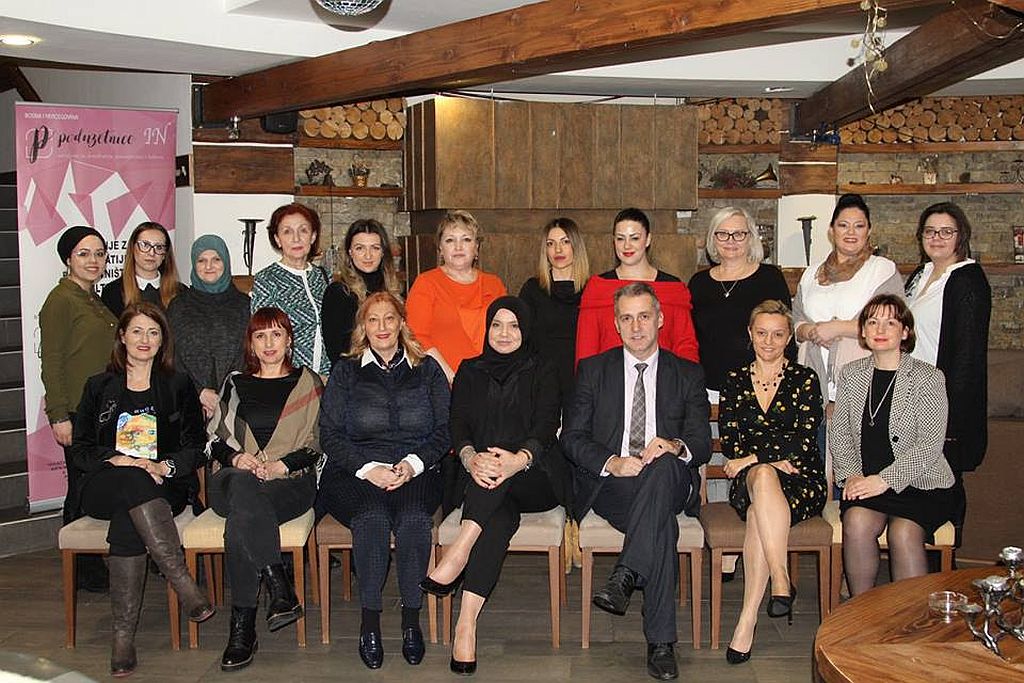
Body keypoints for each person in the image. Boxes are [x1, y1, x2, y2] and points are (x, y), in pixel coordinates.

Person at [562, 282, 711, 681]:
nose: (636, 326)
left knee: (662, 467)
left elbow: (700, 442)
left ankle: (626, 572)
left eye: (644, 316)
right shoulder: (594, 370)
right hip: (615, 485)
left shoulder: (687, 373)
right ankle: (660, 643)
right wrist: (612, 462)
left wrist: (673, 445)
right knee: (661, 526)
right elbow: (572, 438)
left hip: (673, 479)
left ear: (660, 319)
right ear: (616, 324)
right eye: (626, 318)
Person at [420, 296, 569, 676]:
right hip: (482, 475)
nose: (504, 333)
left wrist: (518, 459)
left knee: (494, 478)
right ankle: (465, 625)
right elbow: (458, 424)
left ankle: (459, 551)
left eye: (514, 325)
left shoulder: (543, 368)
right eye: (497, 325)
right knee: (497, 519)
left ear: (526, 329)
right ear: (487, 329)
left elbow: (547, 424)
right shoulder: (470, 369)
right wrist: (471, 457)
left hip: (535, 476)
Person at [71, 302, 213, 677]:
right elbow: (81, 449)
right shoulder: (98, 386)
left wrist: (164, 466)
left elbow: (196, 447)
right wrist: (118, 459)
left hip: (162, 484)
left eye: (153, 332)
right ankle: (181, 580)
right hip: (105, 483)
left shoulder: (178, 385)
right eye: (136, 331)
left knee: (129, 517)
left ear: (163, 339)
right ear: (122, 336)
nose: (144, 339)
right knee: (132, 479)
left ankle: (123, 637)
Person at [318, 292, 450, 670]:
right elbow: (329, 435)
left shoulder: (427, 368)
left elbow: (445, 431)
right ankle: (370, 622)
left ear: (401, 323)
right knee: (372, 519)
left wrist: (411, 464)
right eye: (373, 320)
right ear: (363, 326)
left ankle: (410, 620)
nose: (381, 327)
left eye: (389, 319)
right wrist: (368, 469)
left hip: (416, 470)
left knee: (413, 520)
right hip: (354, 472)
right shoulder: (345, 371)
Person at [206, 307, 324, 671]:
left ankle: (242, 628)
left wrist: (281, 466)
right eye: (260, 335)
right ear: (251, 343)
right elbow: (213, 441)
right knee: (244, 485)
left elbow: (320, 442)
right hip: (232, 478)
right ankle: (278, 583)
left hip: (290, 482)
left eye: (276, 334)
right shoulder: (234, 384)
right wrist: (237, 458)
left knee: (240, 522)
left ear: (289, 341)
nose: (268, 343)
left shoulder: (309, 383)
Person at [830, 294, 961, 596]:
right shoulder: (851, 374)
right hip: (866, 483)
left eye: (890, 322)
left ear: (905, 332)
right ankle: (863, 613)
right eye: (872, 321)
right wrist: (851, 475)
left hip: (921, 485)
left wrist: (884, 480)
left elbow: (930, 444)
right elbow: (840, 434)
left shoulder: (928, 377)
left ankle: (908, 618)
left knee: (903, 533)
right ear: (863, 331)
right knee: (857, 521)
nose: (880, 329)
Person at [718, 300, 826, 664]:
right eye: (762, 333)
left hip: (800, 479)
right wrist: (766, 460)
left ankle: (746, 621)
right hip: (749, 482)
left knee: (757, 512)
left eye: (778, 334)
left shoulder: (805, 379)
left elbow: (804, 441)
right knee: (763, 476)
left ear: (789, 338)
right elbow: (731, 442)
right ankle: (780, 578)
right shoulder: (734, 380)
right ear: (750, 334)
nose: (769, 341)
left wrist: (753, 457)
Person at [905, 202, 990, 539]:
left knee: (945, 482)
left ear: (960, 236)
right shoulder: (921, 274)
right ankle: (916, 552)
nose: (937, 238)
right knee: (914, 482)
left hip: (942, 400)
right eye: (930, 231)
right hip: (909, 393)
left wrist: (947, 412)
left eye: (946, 231)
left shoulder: (968, 279)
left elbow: (967, 355)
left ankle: (946, 559)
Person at [40, 225, 118, 591]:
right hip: (76, 410)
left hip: (101, 410)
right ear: (68, 258)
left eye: (99, 253)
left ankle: (91, 561)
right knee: (80, 487)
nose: (93, 260)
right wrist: (58, 415)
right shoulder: (61, 300)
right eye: (84, 253)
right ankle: (81, 567)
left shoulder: (92, 299)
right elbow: (51, 362)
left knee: (93, 483)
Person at [793, 194, 903, 412]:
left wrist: (837, 328)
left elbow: (893, 323)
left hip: (863, 380)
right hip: (813, 378)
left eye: (859, 226)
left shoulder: (882, 270)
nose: (851, 232)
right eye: (843, 225)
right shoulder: (811, 274)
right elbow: (796, 321)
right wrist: (811, 331)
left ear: (868, 231)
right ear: (831, 230)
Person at [688, 207, 793, 399]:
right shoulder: (698, 283)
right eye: (722, 234)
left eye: (739, 234)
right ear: (713, 239)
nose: (730, 241)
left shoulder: (770, 278)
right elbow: (691, 338)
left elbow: (786, 334)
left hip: (760, 388)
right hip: (708, 388)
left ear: (750, 238)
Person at [575, 208, 699, 366]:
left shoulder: (673, 289)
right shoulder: (597, 288)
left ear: (647, 239)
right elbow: (586, 350)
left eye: (634, 238)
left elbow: (686, 347)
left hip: (664, 379)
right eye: (620, 239)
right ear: (613, 241)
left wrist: (686, 379)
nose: (627, 246)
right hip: (608, 380)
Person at [406, 210, 507, 382]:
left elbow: (506, 333)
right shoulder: (426, 283)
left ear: (476, 247)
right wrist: (453, 378)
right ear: (440, 249)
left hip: (490, 380)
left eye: (466, 239)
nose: (458, 247)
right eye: (450, 240)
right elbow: (416, 336)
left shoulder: (494, 285)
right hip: (441, 381)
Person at [167, 235, 251, 419]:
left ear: (226, 261)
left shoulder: (244, 305)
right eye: (201, 260)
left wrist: (225, 397)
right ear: (194, 264)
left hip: (236, 404)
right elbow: (171, 357)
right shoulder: (179, 306)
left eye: (216, 259)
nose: (209, 266)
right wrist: (199, 392)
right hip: (188, 402)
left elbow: (248, 354)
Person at [518, 217, 590, 411]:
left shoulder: (592, 290)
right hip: (540, 384)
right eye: (551, 244)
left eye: (565, 242)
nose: (558, 250)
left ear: (576, 246)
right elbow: (522, 341)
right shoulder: (532, 289)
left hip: (581, 386)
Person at [250, 202, 330, 375]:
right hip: (289, 379)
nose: (296, 238)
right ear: (277, 239)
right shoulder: (267, 279)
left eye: (303, 230)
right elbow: (262, 335)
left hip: (328, 377)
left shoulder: (324, 277)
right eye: (287, 231)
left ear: (313, 236)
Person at [321, 218, 403, 368]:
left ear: (383, 252)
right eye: (360, 248)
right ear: (350, 252)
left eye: (375, 248)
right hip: (353, 374)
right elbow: (336, 352)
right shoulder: (338, 293)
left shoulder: (395, 291)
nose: (368, 255)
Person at [101, 221, 184, 317]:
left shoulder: (180, 292)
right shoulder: (112, 291)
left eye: (159, 247)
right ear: (132, 249)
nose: (151, 253)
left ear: (165, 254)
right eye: (145, 245)